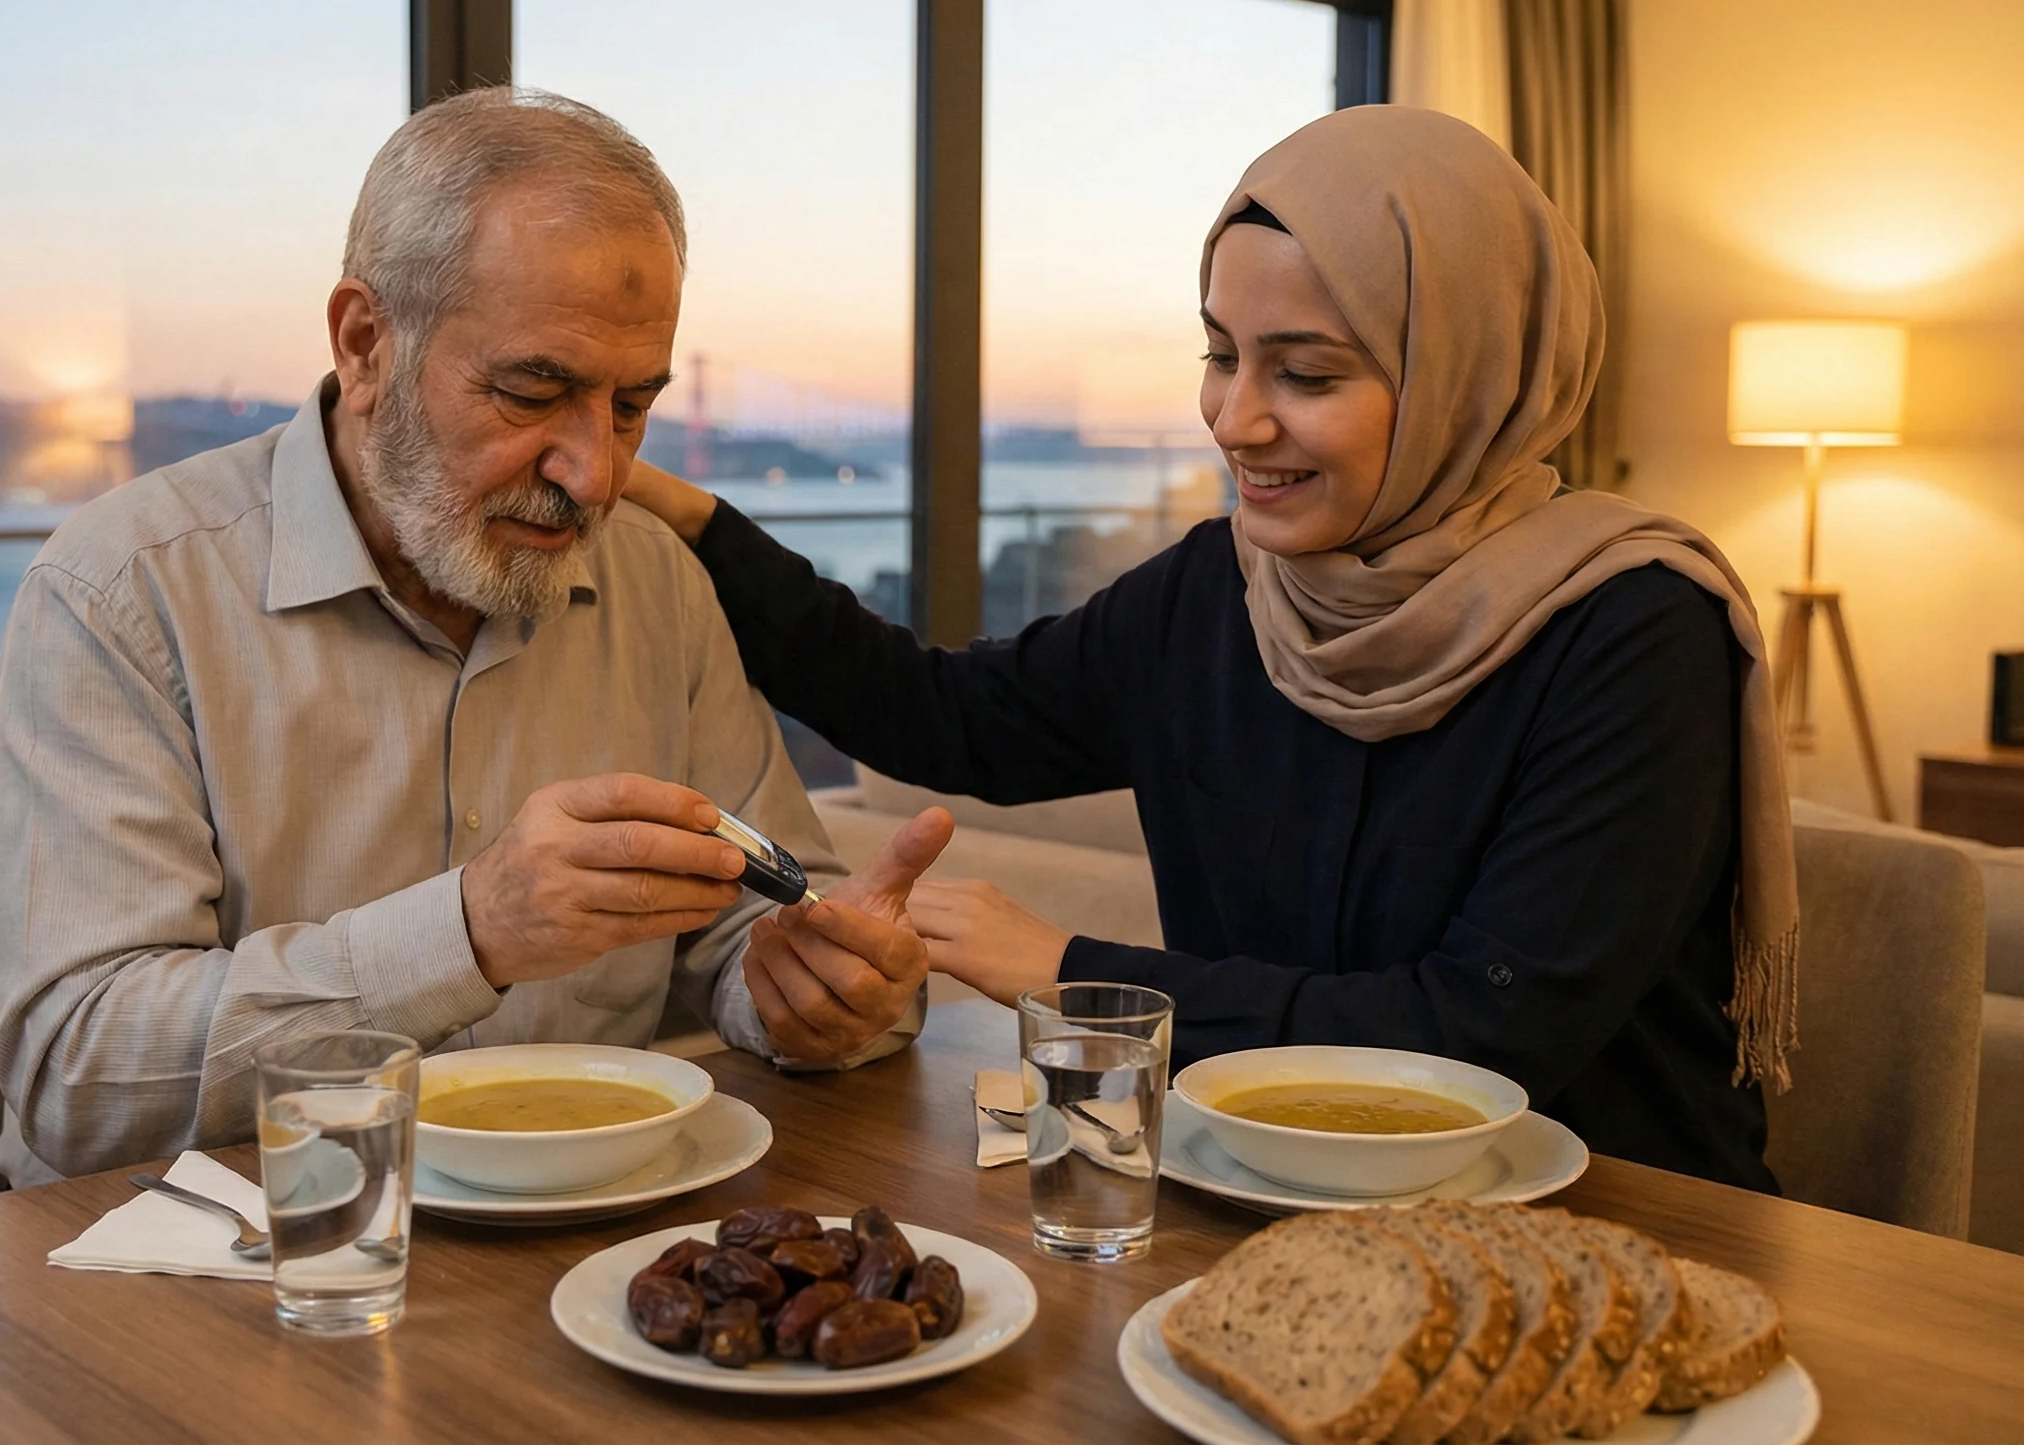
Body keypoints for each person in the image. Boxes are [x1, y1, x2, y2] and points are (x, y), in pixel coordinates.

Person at [621, 106, 1798, 1191]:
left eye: (1307, 373)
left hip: (1610, 1218)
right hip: (1266, 1194)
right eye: (1220, 355)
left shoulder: (1636, 632)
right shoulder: (1217, 590)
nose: (1235, 421)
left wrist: (1069, 970)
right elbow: (939, 715)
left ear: (1465, 375)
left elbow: (1478, 1035)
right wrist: (694, 520)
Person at [0, 87, 950, 1184]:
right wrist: (472, 931)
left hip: (580, 1236)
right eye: (531, 394)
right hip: (221, 1250)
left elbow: (752, 933)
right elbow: (80, 1085)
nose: (596, 475)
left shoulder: (657, 583)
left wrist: (810, 990)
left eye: (631, 407)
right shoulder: (120, 591)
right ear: (364, 345)